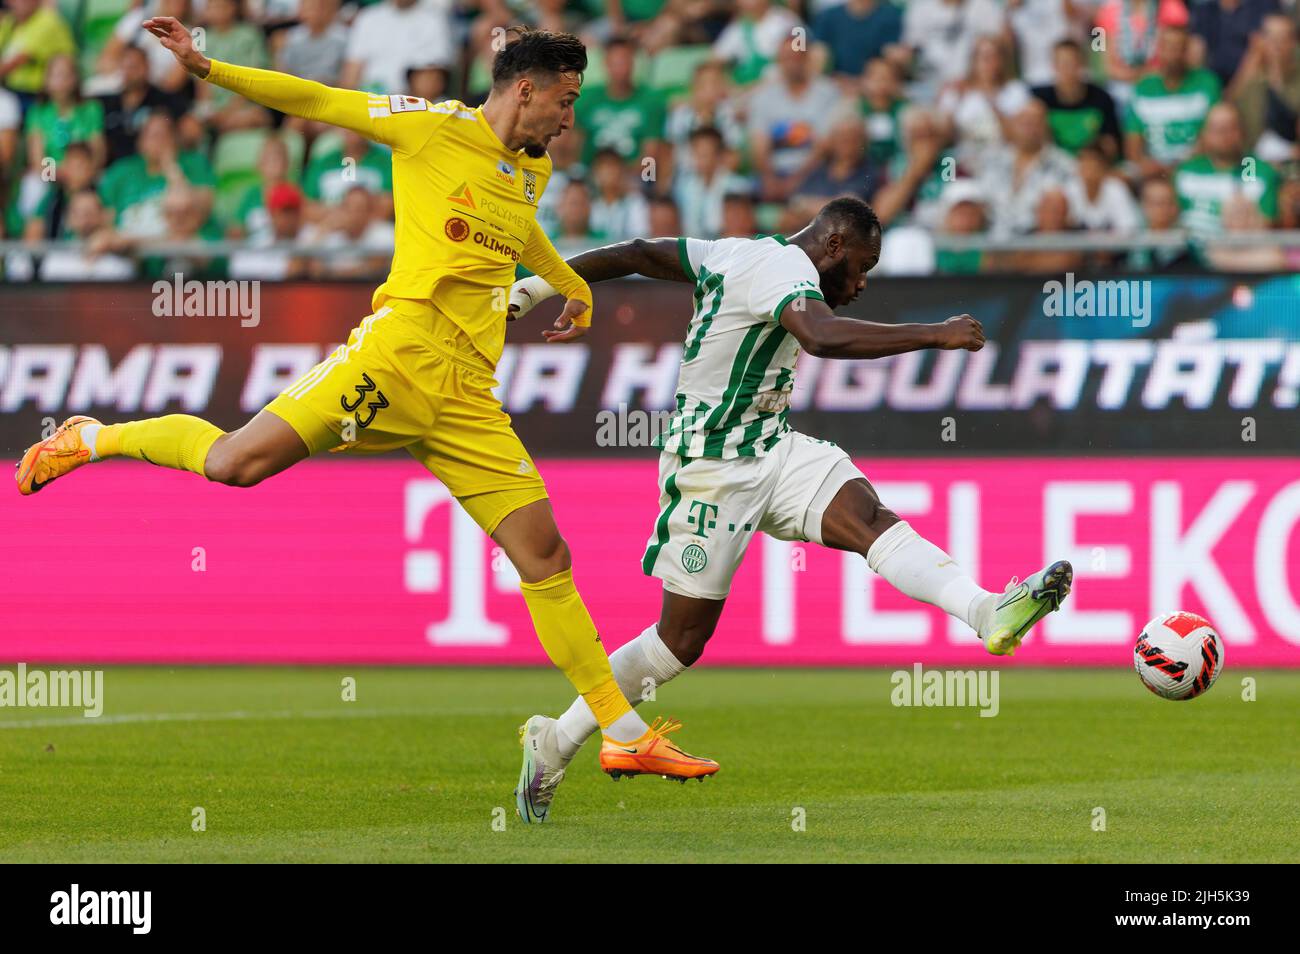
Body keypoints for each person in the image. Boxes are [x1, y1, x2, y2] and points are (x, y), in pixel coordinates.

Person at [16, 19, 718, 793]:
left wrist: (569, 280)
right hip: (393, 361)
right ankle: (94, 437)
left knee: (545, 555)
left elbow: (519, 233)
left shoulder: (535, 167)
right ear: (527, 88)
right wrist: (207, 66)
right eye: (567, 99)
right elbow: (318, 99)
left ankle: (620, 733)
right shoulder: (428, 128)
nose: (570, 117)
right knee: (233, 463)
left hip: (467, 398)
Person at [508, 196, 1073, 821]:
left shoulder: (734, 252)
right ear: (833, 245)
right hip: (711, 468)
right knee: (680, 642)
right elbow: (821, 337)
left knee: (870, 519)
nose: (859, 285)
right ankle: (554, 741)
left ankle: (986, 609)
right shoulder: (783, 274)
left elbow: (642, 253)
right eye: (861, 266)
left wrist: (538, 286)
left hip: (772, 445)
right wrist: (933, 333)